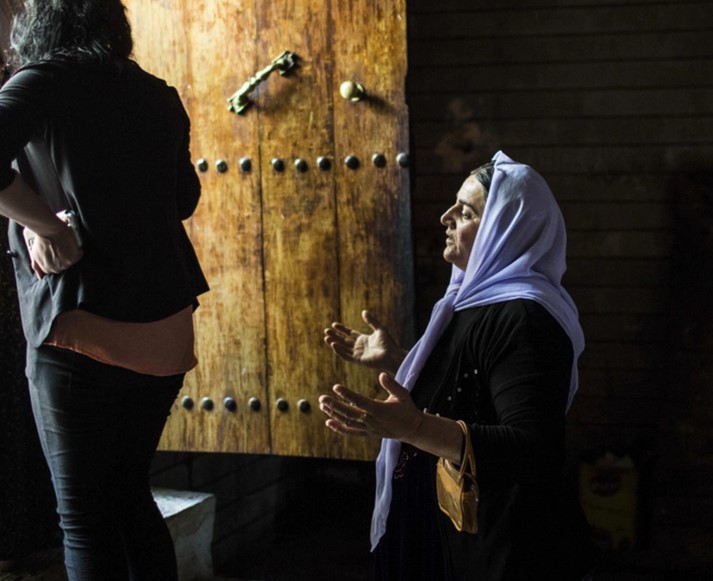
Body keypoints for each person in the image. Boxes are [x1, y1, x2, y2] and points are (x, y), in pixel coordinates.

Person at [0, 1, 208, 580]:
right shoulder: (158, 93)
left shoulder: (36, 83)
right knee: (130, 498)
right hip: (165, 335)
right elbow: (183, 199)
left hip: (80, 331)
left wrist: (47, 225)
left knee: (85, 523)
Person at [320, 151, 595, 580]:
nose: (445, 218)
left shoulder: (525, 318)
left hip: (510, 547)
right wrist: (400, 360)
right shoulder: (473, 302)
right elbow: (475, 384)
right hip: (466, 535)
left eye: (465, 212)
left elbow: (533, 449)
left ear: (504, 230)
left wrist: (413, 428)